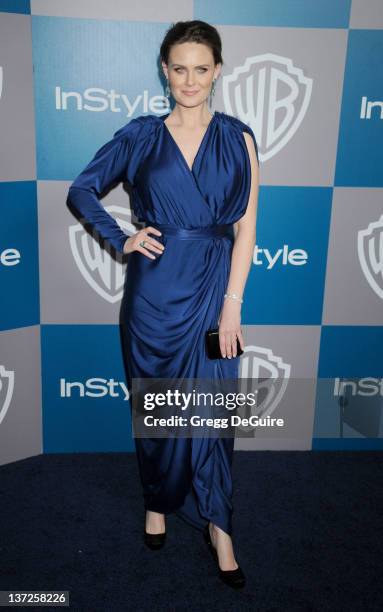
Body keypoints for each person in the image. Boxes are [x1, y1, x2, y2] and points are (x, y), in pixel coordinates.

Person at [67, 20, 259, 589]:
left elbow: (246, 230)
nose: (190, 79)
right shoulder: (140, 136)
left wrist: (232, 305)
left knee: (217, 411)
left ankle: (219, 524)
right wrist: (118, 234)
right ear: (164, 71)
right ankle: (158, 501)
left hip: (212, 289)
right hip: (153, 293)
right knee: (158, 408)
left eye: (202, 68)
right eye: (179, 68)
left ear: (218, 70)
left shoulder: (239, 137)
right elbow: (82, 188)